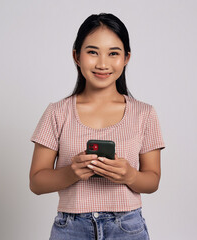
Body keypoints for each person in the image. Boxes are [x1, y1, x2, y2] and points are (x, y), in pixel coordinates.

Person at [29, 13, 165, 240]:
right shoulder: (57, 112)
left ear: (126, 58)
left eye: (113, 53)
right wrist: (71, 173)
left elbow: (153, 180)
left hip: (126, 227)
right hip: (70, 228)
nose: (102, 63)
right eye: (92, 52)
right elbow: (36, 182)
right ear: (77, 56)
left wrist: (129, 175)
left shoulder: (144, 113)